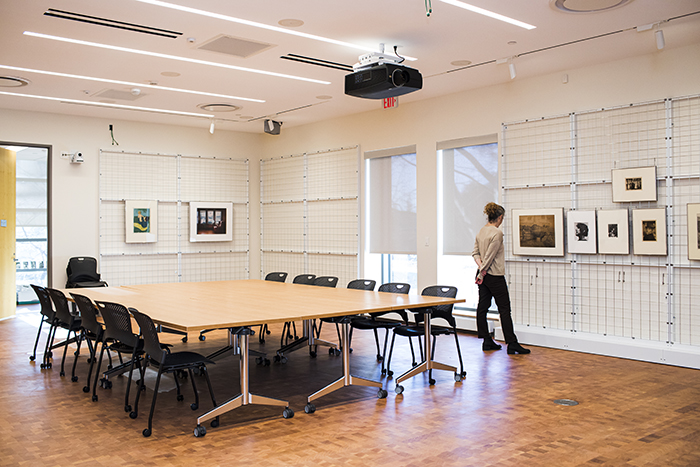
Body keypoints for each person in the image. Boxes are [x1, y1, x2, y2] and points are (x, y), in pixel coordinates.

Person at [472, 202, 530, 355]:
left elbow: (475, 254)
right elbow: (490, 257)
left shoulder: (481, 231)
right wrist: (482, 272)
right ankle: (512, 343)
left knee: (482, 308)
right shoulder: (497, 233)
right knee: (504, 309)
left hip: (483, 275)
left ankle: (487, 340)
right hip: (494, 276)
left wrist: (480, 270)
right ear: (500, 217)